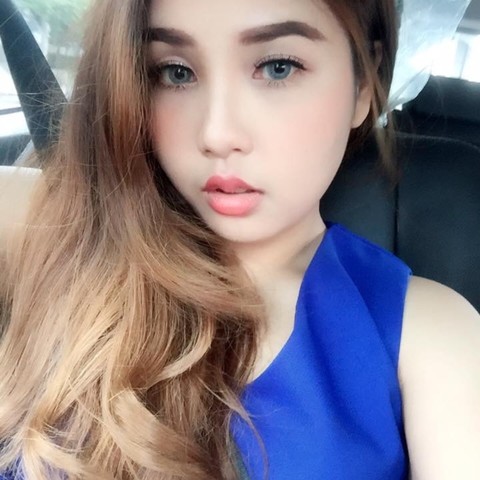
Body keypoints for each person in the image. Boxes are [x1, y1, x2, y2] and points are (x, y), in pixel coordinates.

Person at [0, 0, 479, 478]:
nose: (217, 134)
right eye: (175, 73)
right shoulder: (65, 228)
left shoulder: (429, 332)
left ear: (363, 83)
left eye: (277, 67)